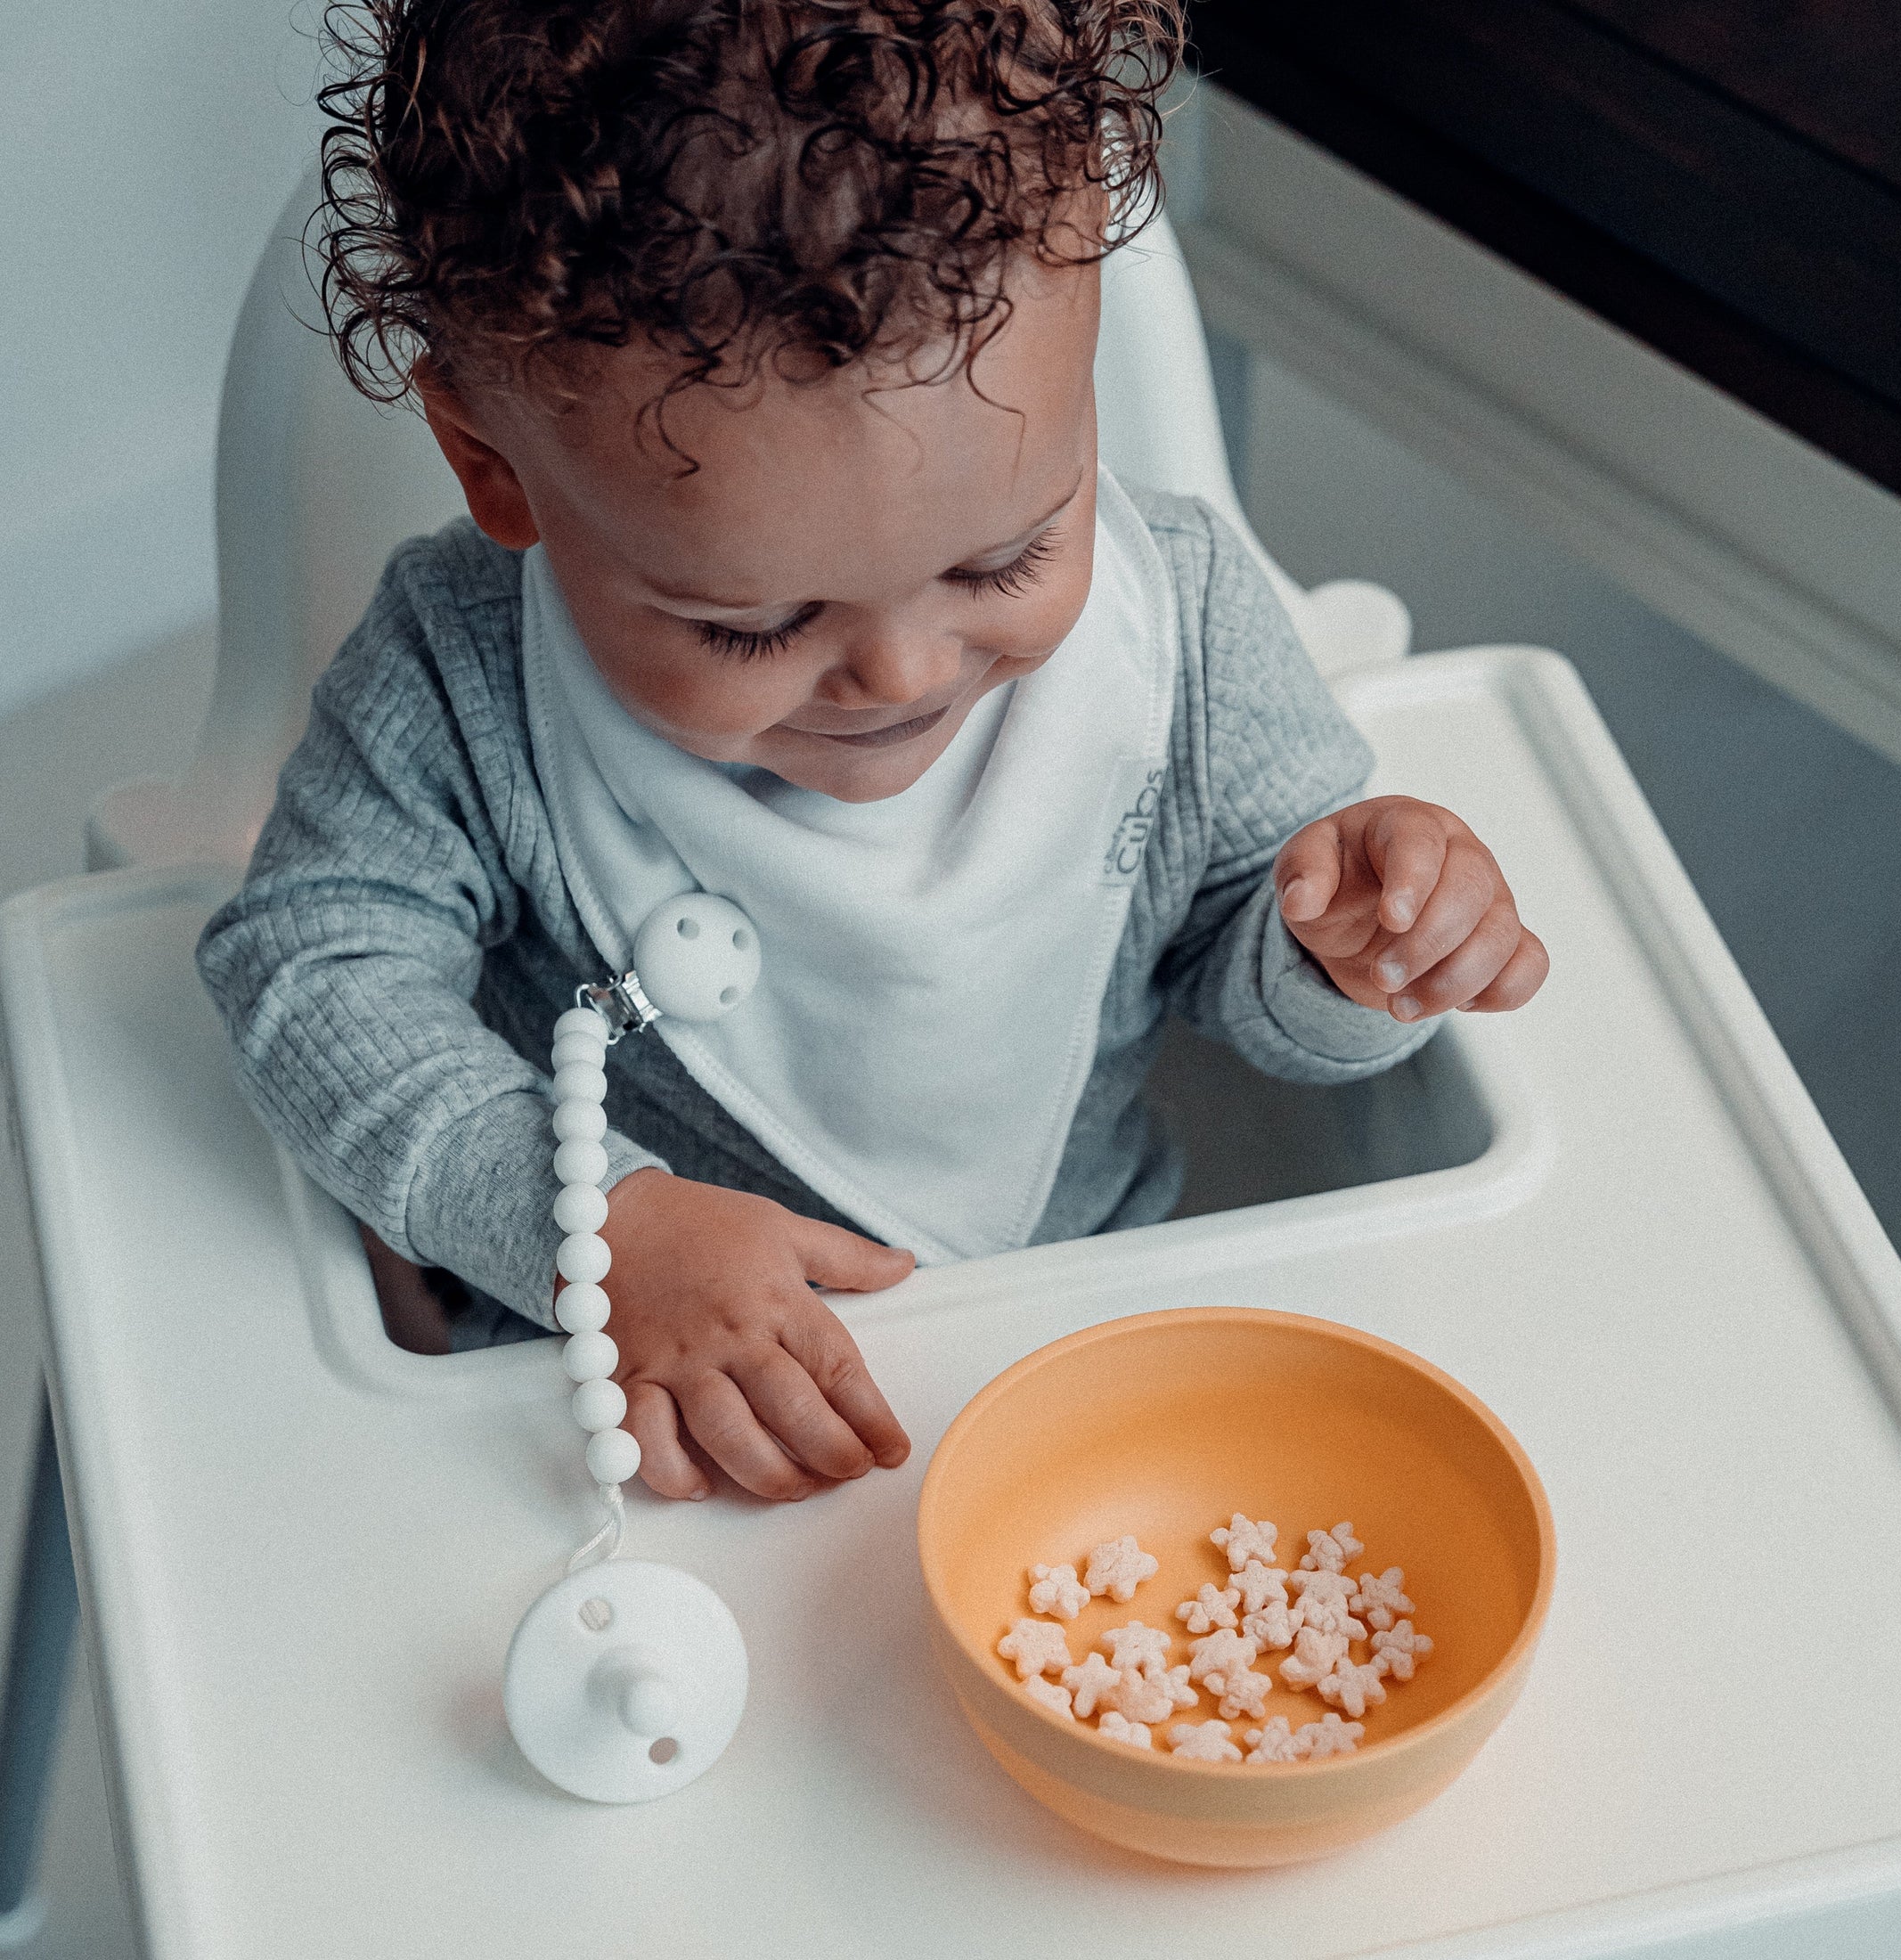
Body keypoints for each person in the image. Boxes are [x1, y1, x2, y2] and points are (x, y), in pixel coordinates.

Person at [199, 0, 1546, 1506]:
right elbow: (307, 969)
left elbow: (1251, 973)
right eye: (755, 621)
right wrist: (594, 1226)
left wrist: (1355, 958)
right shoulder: (459, 681)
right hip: (616, 1407)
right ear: (493, 468)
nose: (905, 674)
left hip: (1077, 1345)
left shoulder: (1186, 640)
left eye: (1006, 557)